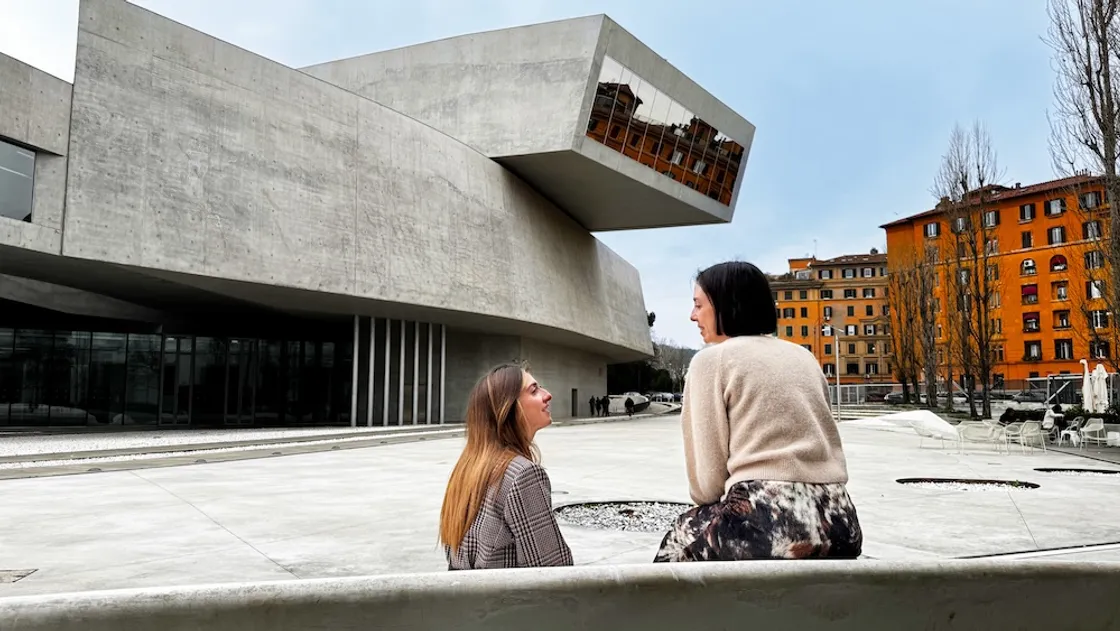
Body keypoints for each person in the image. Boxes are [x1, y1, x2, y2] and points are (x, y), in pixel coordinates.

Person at [654, 261, 862, 563]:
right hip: (840, 520)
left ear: (726, 305)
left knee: (678, 544)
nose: (692, 316)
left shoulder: (712, 361)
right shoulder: (804, 357)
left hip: (766, 520)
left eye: (699, 305)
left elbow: (707, 486)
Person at [439, 363, 573, 570]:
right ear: (509, 408)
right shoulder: (523, 475)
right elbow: (552, 572)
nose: (548, 395)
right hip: (508, 602)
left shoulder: (466, 471)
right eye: (534, 390)